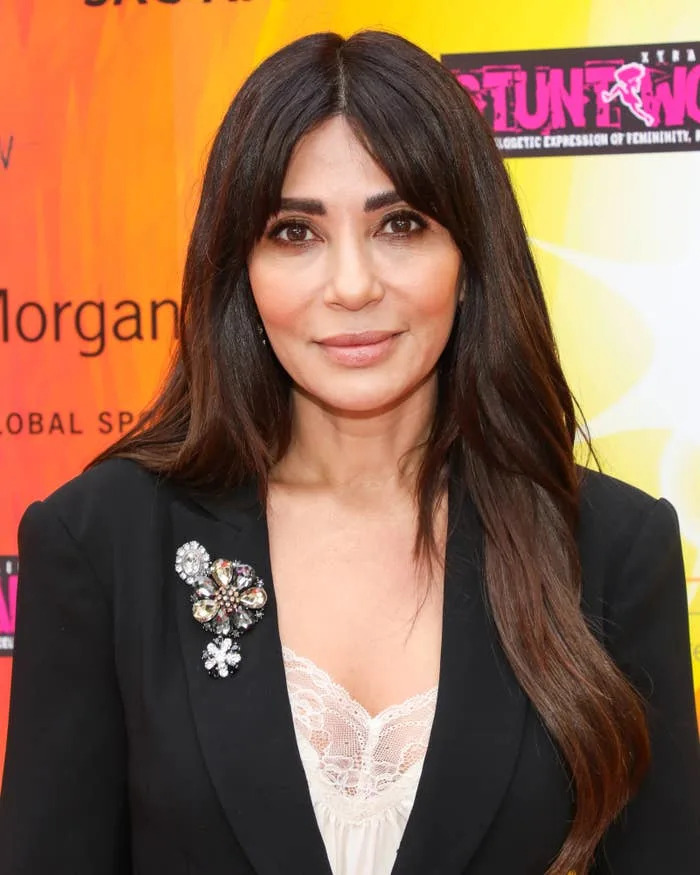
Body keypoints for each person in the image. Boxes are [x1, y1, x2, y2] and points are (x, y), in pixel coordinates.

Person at [0, 28, 698, 875]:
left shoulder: (613, 550)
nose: (354, 284)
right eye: (296, 232)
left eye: (401, 223)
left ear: (470, 258)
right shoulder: (102, 541)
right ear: (240, 271)